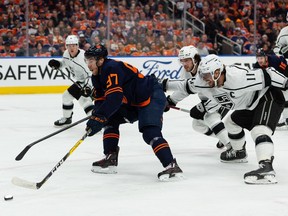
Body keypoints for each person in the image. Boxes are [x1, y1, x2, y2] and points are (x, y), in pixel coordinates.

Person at [84, 44, 183, 181]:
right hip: (133, 102)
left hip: (151, 96)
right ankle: (110, 157)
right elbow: (101, 100)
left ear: (100, 60)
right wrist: (97, 117)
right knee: (109, 120)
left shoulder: (111, 68)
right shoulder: (97, 76)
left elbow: (115, 97)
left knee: (150, 133)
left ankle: (171, 166)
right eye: (87, 60)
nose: (88, 64)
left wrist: (100, 116)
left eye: (91, 60)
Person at [194, 54, 288, 184]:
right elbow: (188, 86)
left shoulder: (237, 78)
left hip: (269, 96)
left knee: (259, 130)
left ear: (217, 72)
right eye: (202, 76)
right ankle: (239, 152)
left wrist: (286, 83)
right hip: (252, 103)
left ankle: (266, 167)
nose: (204, 79)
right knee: (230, 123)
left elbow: (270, 74)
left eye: (206, 75)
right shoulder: (212, 83)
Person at [162, 45, 229, 149]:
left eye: (187, 60)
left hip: (222, 98)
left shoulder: (206, 68)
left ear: (195, 59)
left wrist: (202, 107)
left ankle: (232, 146)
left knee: (210, 117)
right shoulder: (186, 71)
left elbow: (218, 90)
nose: (184, 64)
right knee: (197, 125)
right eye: (182, 61)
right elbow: (184, 88)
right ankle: (226, 138)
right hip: (208, 99)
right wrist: (171, 100)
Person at [48, 35, 94, 126]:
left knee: (84, 101)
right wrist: (58, 64)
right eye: (69, 46)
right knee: (66, 96)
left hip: (92, 81)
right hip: (81, 82)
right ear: (66, 46)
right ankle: (67, 118)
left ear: (77, 46)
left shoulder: (84, 57)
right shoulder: (66, 54)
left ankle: (96, 121)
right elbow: (64, 64)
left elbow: (92, 73)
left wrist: (88, 87)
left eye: (74, 45)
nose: (71, 48)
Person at [253, 48, 288, 128]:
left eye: (261, 58)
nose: (259, 60)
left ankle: (286, 118)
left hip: (284, 76)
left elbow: (285, 67)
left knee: (285, 97)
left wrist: (283, 81)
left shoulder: (274, 60)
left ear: (266, 57)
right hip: (274, 83)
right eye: (258, 58)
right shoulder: (256, 66)